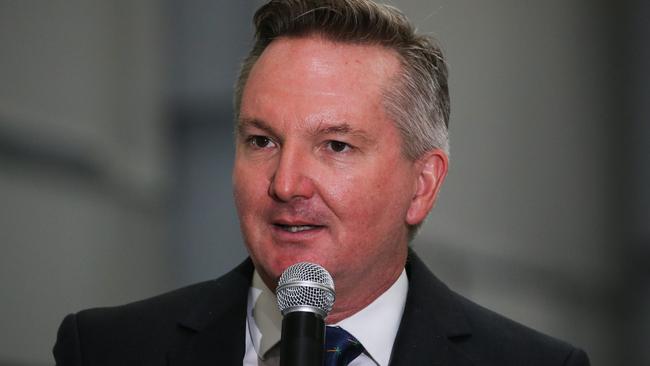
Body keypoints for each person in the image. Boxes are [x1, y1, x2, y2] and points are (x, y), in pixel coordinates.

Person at [53, 1, 590, 365]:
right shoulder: (106, 349)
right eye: (262, 141)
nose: (286, 184)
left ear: (423, 184)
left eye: (336, 145)